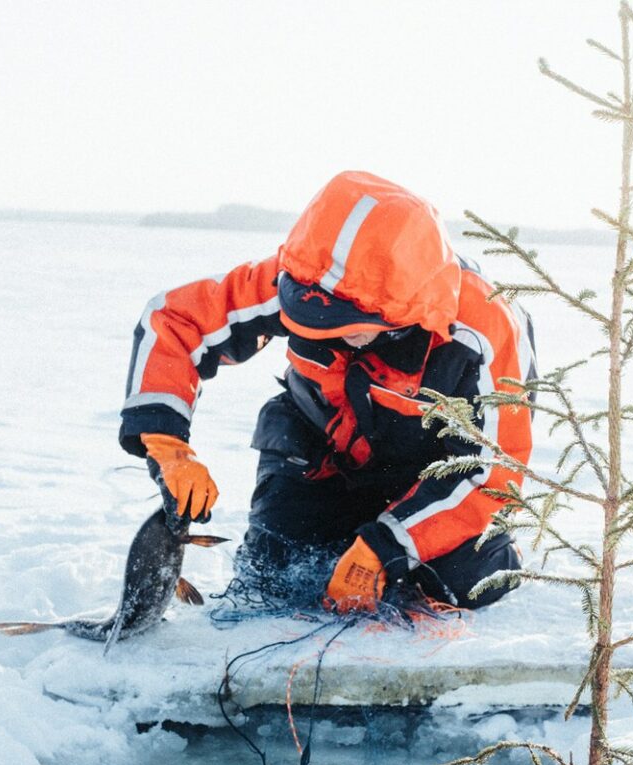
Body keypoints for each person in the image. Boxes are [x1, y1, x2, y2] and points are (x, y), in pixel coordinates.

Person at [119, 171, 536, 615]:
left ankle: (429, 551)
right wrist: (167, 444)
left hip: (427, 482)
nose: (323, 332)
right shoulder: (302, 278)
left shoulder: (484, 331)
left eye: (343, 326)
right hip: (317, 456)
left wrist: (387, 545)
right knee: (275, 579)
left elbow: (492, 472)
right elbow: (175, 321)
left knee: (462, 584)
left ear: (398, 316)